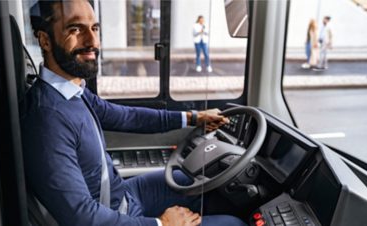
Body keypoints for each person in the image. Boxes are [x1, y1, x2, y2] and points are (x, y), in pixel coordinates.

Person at [21, 1, 247, 226]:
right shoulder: (46, 119)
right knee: (234, 224)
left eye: (95, 28)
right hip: (113, 213)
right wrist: (162, 224)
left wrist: (193, 117)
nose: (92, 41)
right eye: (75, 29)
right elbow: (82, 218)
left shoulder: (72, 91)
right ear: (45, 40)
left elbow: (126, 116)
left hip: (124, 197)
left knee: (198, 183)